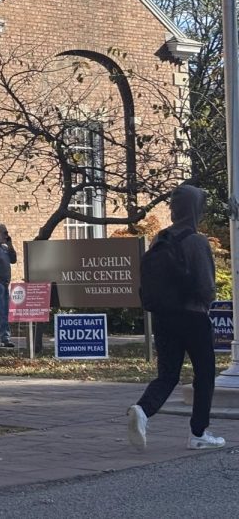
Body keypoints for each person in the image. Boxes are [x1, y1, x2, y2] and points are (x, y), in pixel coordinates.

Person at [127, 183, 225, 450]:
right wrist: (205, 302)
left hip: (163, 316)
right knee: (204, 373)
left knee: (168, 374)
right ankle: (198, 434)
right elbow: (206, 287)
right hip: (193, 316)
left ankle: (143, 411)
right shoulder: (196, 241)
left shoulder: (161, 239)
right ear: (195, 210)